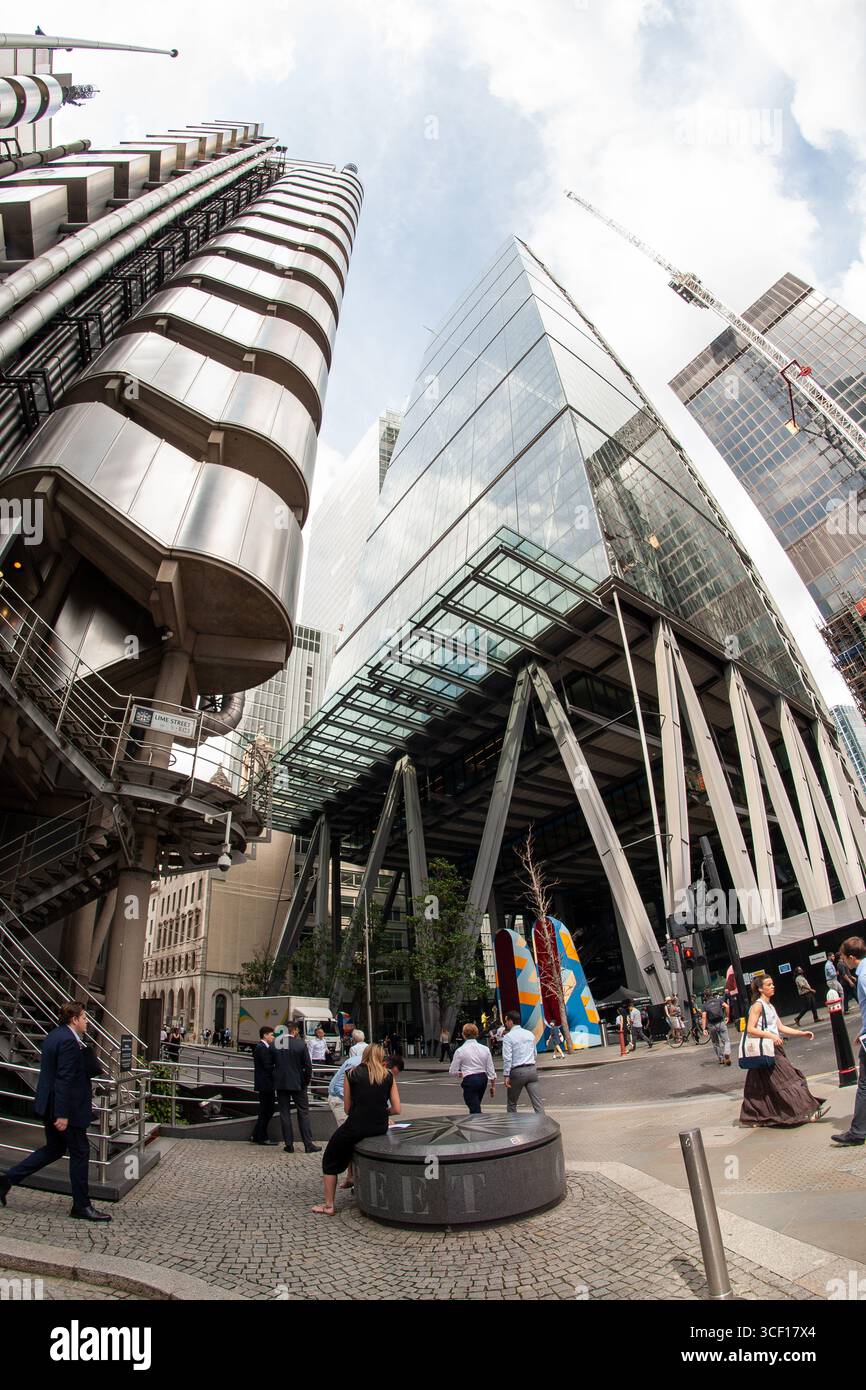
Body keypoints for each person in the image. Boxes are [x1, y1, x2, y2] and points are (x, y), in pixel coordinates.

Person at [0, 1002, 110, 1222]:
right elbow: (64, 1079)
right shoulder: (69, 1041)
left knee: (54, 1149)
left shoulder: (55, 1035)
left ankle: (5, 1181)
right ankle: (81, 1205)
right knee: (80, 1152)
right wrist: (62, 1114)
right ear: (74, 1019)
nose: (87, 1021)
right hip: (65, 1109)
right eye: (84, 1017)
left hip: (51, 1105)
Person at [313, 1044, 401, 1215]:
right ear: (382, 1058)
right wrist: (382, 1112)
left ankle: (329, 1205)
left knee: (329, 1160)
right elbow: (397, 1109)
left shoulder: (351, 1073)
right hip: (379, 1126)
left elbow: (347, 1108)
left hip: (356, 1126)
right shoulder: (388, 1075)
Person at [740, 975, 828, 1128]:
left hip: (773, 1049)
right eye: (769, 984)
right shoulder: (757, 1006)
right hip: (767, 1049)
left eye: (772, 984)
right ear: (760, 988)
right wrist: (771, 1036)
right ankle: (808, 1112)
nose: (773, 986)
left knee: (760, 1086)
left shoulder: (770, 1006)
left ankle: (754, 1117)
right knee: (791, 1079)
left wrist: (802, 1033)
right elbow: (750, 1029)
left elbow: (780, 1027)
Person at [832, 936, 866, 1147]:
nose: (842, 961)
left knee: (863, 1085)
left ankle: (858, 1132)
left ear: (852, 958)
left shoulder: (862, 976)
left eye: (843, 958)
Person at [273, 1021, 321, 1155]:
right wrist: (305, 1081)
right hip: (298, 1084)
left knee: (284, 1113)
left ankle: (289, 1145)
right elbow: (308, 1066)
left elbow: (271, 1064)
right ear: (294, 1031)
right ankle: (308, 1144)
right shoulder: (300, 1044)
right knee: (303, 1113)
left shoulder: (275, 1045)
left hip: (281, 1084)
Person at [502, 1010, 544, 1113]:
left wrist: (506, 1075)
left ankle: (513, 1126)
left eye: (506, 1021)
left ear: (511, 1021)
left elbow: (507, 1058)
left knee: (512, 1103)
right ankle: (544, 1124)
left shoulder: (508, 1037)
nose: (505, 1023)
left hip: (517, 1071)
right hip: (532, 1070)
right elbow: (535, 1053)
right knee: (537, 1102)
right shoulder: (529, 1034)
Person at [449, 1023, 496, 1112]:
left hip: (470, 1079)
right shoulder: (485, 1049)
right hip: (483, 1078)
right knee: (476, 1104)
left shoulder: (460, 1051)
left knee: (474, 1107)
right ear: (476, 1034)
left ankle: (477, 1123)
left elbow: (452, 1070)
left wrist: (459, 1073)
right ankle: (476, 1122)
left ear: (463, 1035)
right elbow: (490, 1068)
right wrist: (493, 1086)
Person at [250, 1026, 278, 1145]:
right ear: (265, 1035)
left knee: (266, 1110)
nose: (273, 1037)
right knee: (267, 1110)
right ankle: (262, 1136)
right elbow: (268, 1067)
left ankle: (256, 1134)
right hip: (266, 1084)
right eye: (272, 1035)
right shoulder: (261, 1048)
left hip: (265, 1084)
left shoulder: (263, 1047)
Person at [327, 1050, 363, 1128]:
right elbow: (337, 1087)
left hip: (343, 1098)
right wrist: (351, 1099)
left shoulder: (358, 1061)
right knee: (348, 1130)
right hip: (339, 1099)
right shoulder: (355, 1064)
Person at [701, 989, 731, 1065]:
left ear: (705, 996)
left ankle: (721, 1059)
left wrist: (704, 1028)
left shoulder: (704, 1005)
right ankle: (727, 1052)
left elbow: (704, 1017)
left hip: (712, 1025)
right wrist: (727, 1016)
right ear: (712, 994)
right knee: (726, 1040)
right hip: (721, 1023)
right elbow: (727, 1006)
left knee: (715, 1043)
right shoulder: (718, 1000)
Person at [837, 952, 857, 1016]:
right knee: (855, 994)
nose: (843, 956)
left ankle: (846, 1010)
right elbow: (844, 974)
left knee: (845, 997)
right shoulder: (840, 964)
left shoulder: (841, 963)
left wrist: (852, 977)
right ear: (840, 956)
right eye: (842, 955)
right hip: (846, 982)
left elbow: (846, 973)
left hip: (844, 983)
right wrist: (850, 982)